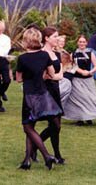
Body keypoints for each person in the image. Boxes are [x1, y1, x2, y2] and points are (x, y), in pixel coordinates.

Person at [16, 27, 62, 170]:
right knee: (50, 123)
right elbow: (52, 74)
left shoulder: (22, 58)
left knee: (28, 127)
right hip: (44, 94)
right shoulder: (44, 56)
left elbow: (18, 79)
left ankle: (47, 156)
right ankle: (26, 161)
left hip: (30, 96)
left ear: (26, 41)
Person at [63, 35, 96, 126]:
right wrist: (79, 71)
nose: (82, 43)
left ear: (86, 43)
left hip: (88, 80)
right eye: (80, 42)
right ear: (77, 43)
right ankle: (80, 119)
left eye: (83, 42)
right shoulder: (73, 54)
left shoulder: (90, 53)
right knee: (79, 99)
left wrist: (90, 72)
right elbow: (70, 66)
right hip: (77, 80)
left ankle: (90, 117)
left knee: (90, 99)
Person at [34, 27, 64, 164]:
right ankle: (35, 146)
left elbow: (60, 74)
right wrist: (51, 76)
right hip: (45, 92)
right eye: (54, 36)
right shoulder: (41, 54)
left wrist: (54, 76)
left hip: (55, 90)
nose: (57, 39)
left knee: (57, 126)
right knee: (54, 125)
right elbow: (40, 76)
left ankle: (57, 154)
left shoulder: (56, 54)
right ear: (46, 38)